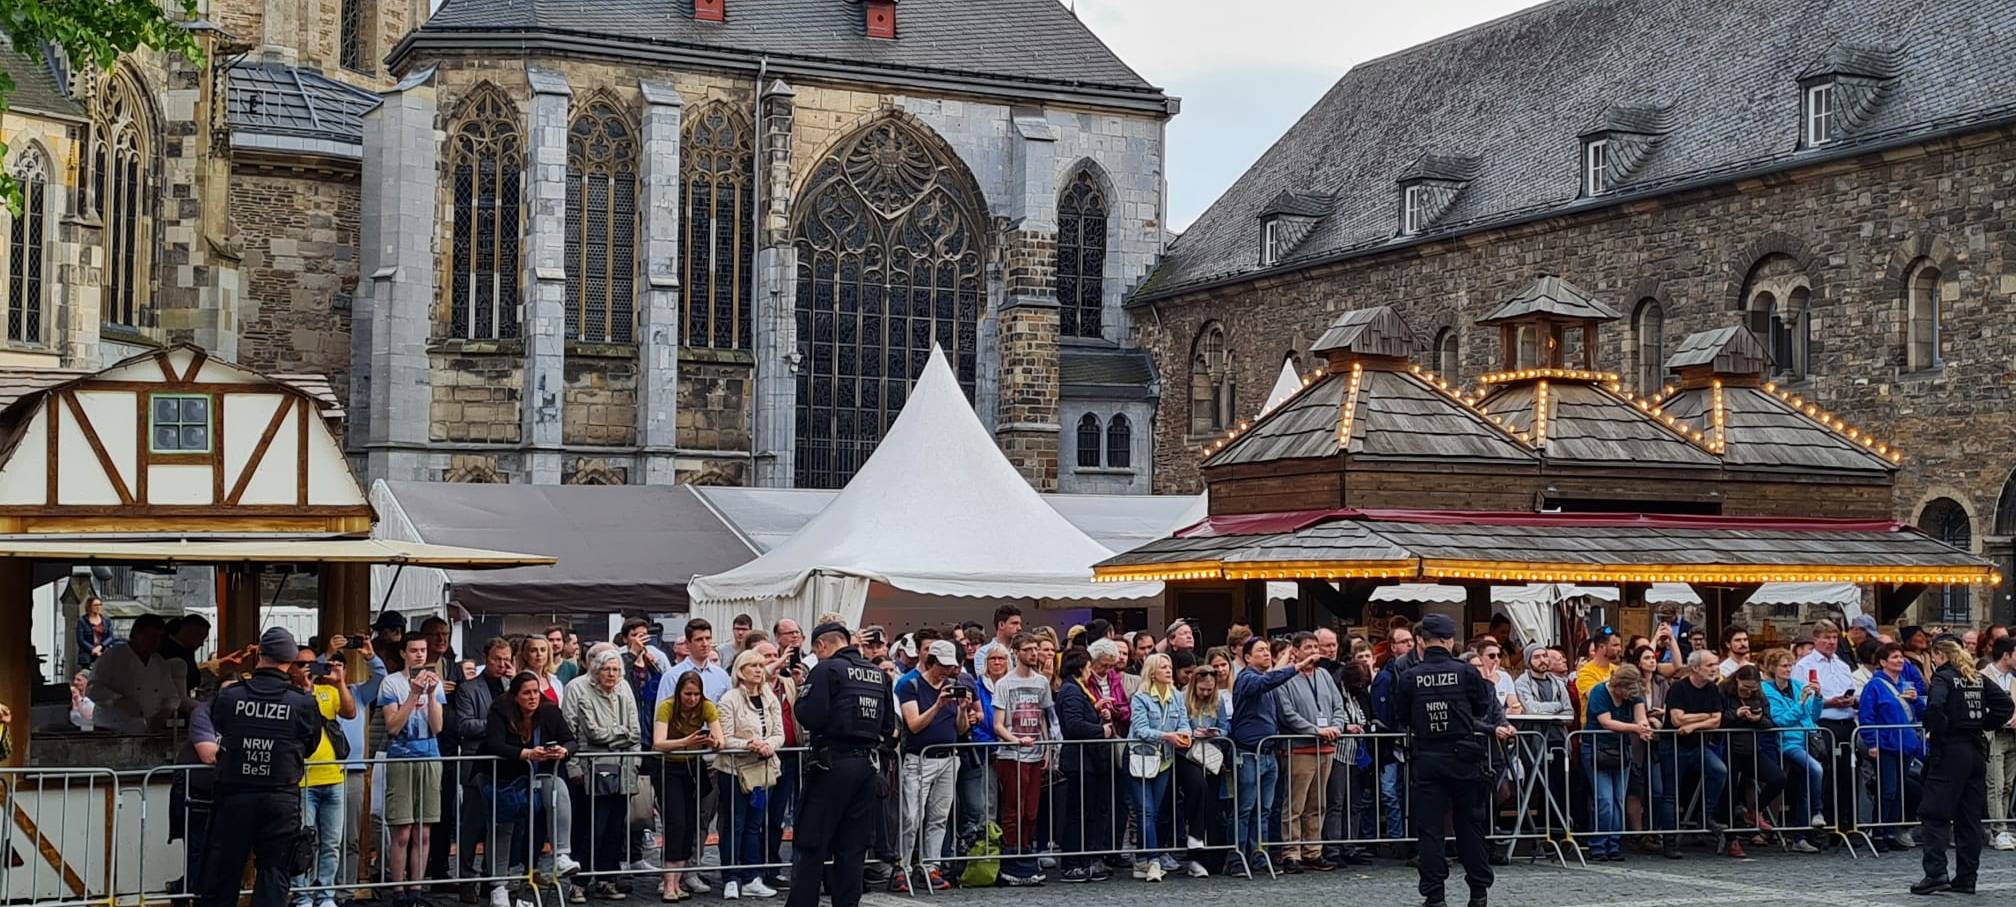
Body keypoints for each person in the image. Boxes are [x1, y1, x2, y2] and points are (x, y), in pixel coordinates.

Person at [200, 628, 324, 907]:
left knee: (223, 873)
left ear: (259, 654)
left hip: (234, 795)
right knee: (274, 873)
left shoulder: (231, 697)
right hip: (280, 798)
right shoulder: (302, 702)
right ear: (291, 659)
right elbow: (310, 744)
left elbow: (219, 724)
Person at [784, 622, 894, 907]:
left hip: (830, 764)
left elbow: (811, 715)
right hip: (867, 767)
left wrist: (800, 695)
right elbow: (888, 726)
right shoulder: (878, 673)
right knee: (852, 849)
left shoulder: (827, 669)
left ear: (822, 645)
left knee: (811, 844)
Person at [1392, 614, 1498, 907]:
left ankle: (1435, 896)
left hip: (1427, 757)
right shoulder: (1466, 672)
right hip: (1464, 756)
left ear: (1422, 642)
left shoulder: (1410, 677)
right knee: (1470, 826)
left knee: (1430, 830)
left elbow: (1402, 716)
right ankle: (1478, 892)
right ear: (1450, 641)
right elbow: (1481, 707)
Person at [1911, 637, 2015, 895]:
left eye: (1934, 657)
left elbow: (1934, 707)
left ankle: (1935, 873)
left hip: (1950, 751)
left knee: (1934, 813)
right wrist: (1984, 724)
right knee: (1969, 818)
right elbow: (2005, 705)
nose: (1933, 661)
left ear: (1940, 655)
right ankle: (1967, 878)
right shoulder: (1976, 677)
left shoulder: (1943, 677)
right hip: (1976, 751)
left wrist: (1939, 730)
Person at [482, 672, 576, 907]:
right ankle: (499, 886)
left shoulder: (549, 710)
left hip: (540, 774)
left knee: (558, 788)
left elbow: (571, 740)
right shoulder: (500, 709)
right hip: (505, 777)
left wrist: (563, 751)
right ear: (515, 696)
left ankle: (562, 855)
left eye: (535, 691)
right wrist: (525, 754)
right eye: (526, 693)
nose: (533, 697)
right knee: (502, 828)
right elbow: (493, 743)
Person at [379, 634, 453, 906]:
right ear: (403, 653)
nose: (420, 655)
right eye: (414, 651)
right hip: (401, 756)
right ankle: (398, 891)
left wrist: (432, 695)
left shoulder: (436, 683)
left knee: (424, 830)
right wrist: (413, 694)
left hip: (430, 756)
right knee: (402, 830)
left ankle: (417, 890)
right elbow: (393, 726)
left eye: (423, 650)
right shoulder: (391, 683)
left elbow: (438, 727)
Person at [563, 647, 642, 899]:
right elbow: (577, 731)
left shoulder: (625, 688)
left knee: (615, 828)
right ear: (595, 669)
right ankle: (579, 882)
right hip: (591, 769)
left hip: (624, 767)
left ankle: (607, 878)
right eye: (606, 669)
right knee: (589, 828)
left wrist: (635, 759)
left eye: (616, 669)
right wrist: (573, 766)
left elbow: (636, 732)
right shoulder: (578, 689)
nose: (611, 674)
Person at [894, 640, 971, 892]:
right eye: (943, 665)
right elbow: (914, 724)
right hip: (919, 759)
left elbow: (961, 729)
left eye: (950, 666)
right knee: (912, 817)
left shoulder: (952, 685)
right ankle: (903, 866)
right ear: (931, 662)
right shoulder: (910, 685)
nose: (947, 671)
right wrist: (938, 705)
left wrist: (961, 710)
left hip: (948, 758)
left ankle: (931, 865)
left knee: (939, 817)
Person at [1231, 635, 1314, 869]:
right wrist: (1296, 666)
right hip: (1248, 754)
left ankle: (1259, 854)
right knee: (1245, 809)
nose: (1266, 653)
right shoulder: (1246, 679)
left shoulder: (1264, 678)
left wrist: (1287, 657)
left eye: (1268, 650)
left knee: (1264, 810)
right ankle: (1237, 856)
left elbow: (1271, 678)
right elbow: (1267, 682)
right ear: (1247, 657)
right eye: (1260, 651)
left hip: (1268, 754)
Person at [290, 641, 356, 907]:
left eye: (310, 663)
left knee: (331, 843)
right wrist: (306, 691)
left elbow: (350, 712)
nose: (307, 668)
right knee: (304, 842)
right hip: (304, 780)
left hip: (333, 778)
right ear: (290, 668)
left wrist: (340, 682)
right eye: (301, 664)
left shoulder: (327, 691)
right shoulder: (289, 695)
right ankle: (303, 895)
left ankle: (325, 895)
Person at [1275, 632, 1347, 873]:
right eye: (1308, 647)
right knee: (1295, 803)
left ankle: (1313, 850)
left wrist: (1335, 726)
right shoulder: (1285, 678)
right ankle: (1291, 852)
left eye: (1316, 646)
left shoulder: (1324, 675)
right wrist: (1316, 730)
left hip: (1326, 747)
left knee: (1318, 803)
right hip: (1300, 747)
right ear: (1295, 651)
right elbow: (1287, 714)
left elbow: (1338, 705)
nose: (1314, 651)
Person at [715, 649, 784, 900]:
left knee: (755, 824)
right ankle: (731, 877)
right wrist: (750, 744)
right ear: (740, 671)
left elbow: (779, 733)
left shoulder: (770, 697)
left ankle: (751, 876)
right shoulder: (729, 699)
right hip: (734, 769)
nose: (758, 669)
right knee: (735, 824)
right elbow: (725, 737)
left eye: (760, 665)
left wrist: (769, 745)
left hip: (763, 769)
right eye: (752, 665)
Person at [654, 672, 722, 902]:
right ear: (679, 693)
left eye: (696, 694)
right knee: (675, 823)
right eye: (688, 694)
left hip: (694, 768)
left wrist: (712, 742)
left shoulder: (708, 706)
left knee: (690, 824)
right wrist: (686, 742)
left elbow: (720, 739)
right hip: (669, 767)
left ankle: (678, 881)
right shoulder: (667, 706)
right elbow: (659, 742)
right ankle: (668, 883)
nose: (692, 699)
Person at [456, 638, 516, 890]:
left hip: (505, 765)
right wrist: (495, 727)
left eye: (506, 659)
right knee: (472, 824)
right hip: (476, 764)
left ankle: (493, 877)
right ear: (485, 658)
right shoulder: (468, 688)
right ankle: (466, 880)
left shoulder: (512, 687)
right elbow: (464, 725)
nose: (502, 665)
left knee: (501, 824)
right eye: (497, 659)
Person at [1656, 649, 1727, 859]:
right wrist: (1705, 717)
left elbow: (1717, 720)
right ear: (1695, 668)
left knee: (1719, 770)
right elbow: (1677, 719)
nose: (1715, 669)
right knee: (1671, 794)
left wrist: (1694, 724)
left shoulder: (1713, 689)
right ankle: (1669, 841)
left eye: (1716, 665)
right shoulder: (1678, 688)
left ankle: (1703, 815)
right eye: (1710, 665)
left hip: (1696, 744)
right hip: (1673, 746)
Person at [1127, 653, 1191, 882]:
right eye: (1163, 667)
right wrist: (1168, 736)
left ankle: (1142, 859)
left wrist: (1186, 735)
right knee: (1146, 810)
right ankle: (1153, 860)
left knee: (1154, 812)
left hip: (1164, 760)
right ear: (1152, 672)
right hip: (1140, 758)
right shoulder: (1140, 697)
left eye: (1169, 667)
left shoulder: (1176, 696)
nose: (1168, 670)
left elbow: (1184, 722)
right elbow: (1141, 730)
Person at [1759, 647, 1829, 851]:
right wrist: (1800, 704)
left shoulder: (1798, 685)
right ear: (1773, 668)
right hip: (1788, 741)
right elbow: (1780, 720)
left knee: (1805, 787)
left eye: (1790, 665)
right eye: (1783, 666)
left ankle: (1802, 836)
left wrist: (1817, 697)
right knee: (1815, 769)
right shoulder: (1766, 690)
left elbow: (1812, 716)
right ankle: (1817, 812)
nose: (1788, 669)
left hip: (1810, 738)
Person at [1055, 647, 1115, 883]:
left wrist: (1096, 709)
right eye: (1089, 666)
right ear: (1081, 667)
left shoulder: (1077, 689)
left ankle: (1085, 861)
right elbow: (1072, 724)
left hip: (1087, 761)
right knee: (1077, 813)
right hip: (1078, 760)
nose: (1091, 671)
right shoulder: (1071, 690)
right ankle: (1072, 863)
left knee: (1088, 811)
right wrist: (1101, 730)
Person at [1860, 641, 1926, 851]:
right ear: (1883, 662)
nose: (1899, 661)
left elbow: (1921, 714)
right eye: (1894, 657)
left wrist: (1916, 701)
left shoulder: (1906, 685)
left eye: (1900, 657)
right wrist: (1871, 742)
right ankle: (1879, 830)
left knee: (1899, 790)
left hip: (1905, 743)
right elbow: (1867, 716)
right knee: (1887, 789)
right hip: (1886, 743)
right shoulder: (1875, 686)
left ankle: (1890, 830)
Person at [1582, 663, 1651, 862]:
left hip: (1621, 750)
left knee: (1619, 799)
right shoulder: (1599, 692)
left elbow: (1640, 717)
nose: (1629, 697)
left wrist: (1644, 727)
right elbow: (1606, 722)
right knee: (1604, 799)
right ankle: (1598, 844)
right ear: (1618, 685)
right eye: (1626, 693)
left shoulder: (1634, 692)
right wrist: (1636, 729)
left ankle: (1614, 844)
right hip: (1597, 748)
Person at [1716, 664, 1781, 858]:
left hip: (1752, 749)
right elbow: (1716, 719)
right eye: (1745, 687)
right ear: (1737, 680)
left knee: (1778, 778)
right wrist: (1735, 715)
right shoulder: (1723, 692)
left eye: (1753, 688)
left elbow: (1770, 722)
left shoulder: (1759, 695)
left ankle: (1754, 811)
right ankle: (1732, 840)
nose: (1749, 691)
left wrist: (1757, 719)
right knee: (1729, 794)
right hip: (1728, 749)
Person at [90, 613, 193, 732]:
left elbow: (172, 697)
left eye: (159, 637)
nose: (155, 641)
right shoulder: (112, 656)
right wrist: (117, 699)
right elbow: (93, 689)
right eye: (151, 636)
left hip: (146, 730)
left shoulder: (158, 662)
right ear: (136, 634)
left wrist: (163, 714)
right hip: (111, 728)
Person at [1983, 636, 2016, 851]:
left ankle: (2003, 825)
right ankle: (1998, 828)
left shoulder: (2013, 680)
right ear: (2006, 655)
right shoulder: (1982, 676)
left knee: (2007, 784)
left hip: (2012, 736)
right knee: (1995, 782)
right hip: (1993, 734)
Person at [974, 605, 1023, 673]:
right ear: (1001, 625)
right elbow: (984, 680)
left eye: (1019, 624)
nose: (1019, 628)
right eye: (1014, 623)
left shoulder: (1022, 651)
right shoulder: (983, 653)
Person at [74, 595, 119, 669]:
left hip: (103, 652)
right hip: (87, 655)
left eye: (100, 605)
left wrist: (100, 646)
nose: (98, 607)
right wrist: (93, 649)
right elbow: (80, 640)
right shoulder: (82, 621)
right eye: (95, 605)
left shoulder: (106, 620)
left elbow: (111, 637)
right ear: (89, 606)